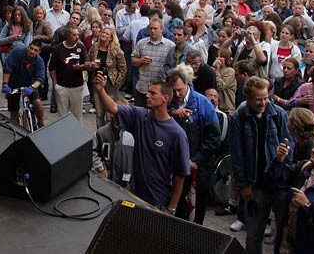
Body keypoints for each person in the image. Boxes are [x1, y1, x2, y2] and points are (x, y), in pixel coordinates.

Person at [93, 72, 190, 213]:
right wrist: (100, 90)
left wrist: (171, 208)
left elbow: (180, 175)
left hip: (157, 202)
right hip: (134, 194)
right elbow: (113, 108)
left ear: (165, 98)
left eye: (152, 93)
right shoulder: (140, 116)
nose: (147, 95)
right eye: (148, 92)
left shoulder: (177, 134)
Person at [229, 76, 291, 254]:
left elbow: (289, 145)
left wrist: (284, 155)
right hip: (255, 184)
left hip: (278, 184)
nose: (263, 102)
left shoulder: (278, 114)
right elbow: (237, 155)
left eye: (266, 98)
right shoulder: (239, 117)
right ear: (247, 97)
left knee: (282, 234)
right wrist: (243, 185)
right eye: (258, 99)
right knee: (254, 235)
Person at [166, 66, 221, 225]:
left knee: (195, 216)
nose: (177, 94)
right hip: (173, 169)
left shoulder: (202, 103)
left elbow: (213, 136)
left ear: (187, 83)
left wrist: (196, 160)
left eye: (179, 90)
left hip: (197, 170)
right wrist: (172, 112)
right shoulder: (169, 102)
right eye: (173, 91)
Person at [86, 27, 127, 128]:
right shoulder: (94, 47)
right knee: (99, 114)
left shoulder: (116, 50)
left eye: (107, 34)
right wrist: (91, 65)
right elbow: (87, 61)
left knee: (110, 114)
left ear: (111, 37)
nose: (104, 35)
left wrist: (117, 83)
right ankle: (100, 136)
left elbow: (123, 68)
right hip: (97, 82)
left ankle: (110, 136)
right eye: (103, 33)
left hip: (111, 83)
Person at [1, 40, 46, 128]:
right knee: (14, 111)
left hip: (30, 84)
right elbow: (7, 68)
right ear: (28, 47)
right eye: (31, 48)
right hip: (14, 83)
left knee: (37, 102)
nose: (32, 51)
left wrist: (32, 88)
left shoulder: (39, 61)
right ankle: (16, 129)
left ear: (39, 52)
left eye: (35, 50)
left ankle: (40, 122)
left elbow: (40, 78)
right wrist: (5, 84)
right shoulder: (17, 52)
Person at [131, 18, 175, 106]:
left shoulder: (170, 46)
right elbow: (133, 60)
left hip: (159, 91)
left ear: (162, 29)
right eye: (151, 29)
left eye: (155, 28)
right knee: (139, 117)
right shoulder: (141, 43)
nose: (153, 31)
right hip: (142, 87)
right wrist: (141, 61)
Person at [49, 26, 89, 120]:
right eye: (74, 35)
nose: (77, 37)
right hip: (62, 86)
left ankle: (77, 134)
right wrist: (55, 84)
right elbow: (52, 67)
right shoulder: (58, 49)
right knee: (62, 116)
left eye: (78, 35)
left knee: (77, 115)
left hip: (77, 86)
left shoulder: (81, 47)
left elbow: (86, 63)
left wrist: (82, 67)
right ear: (67, 36)